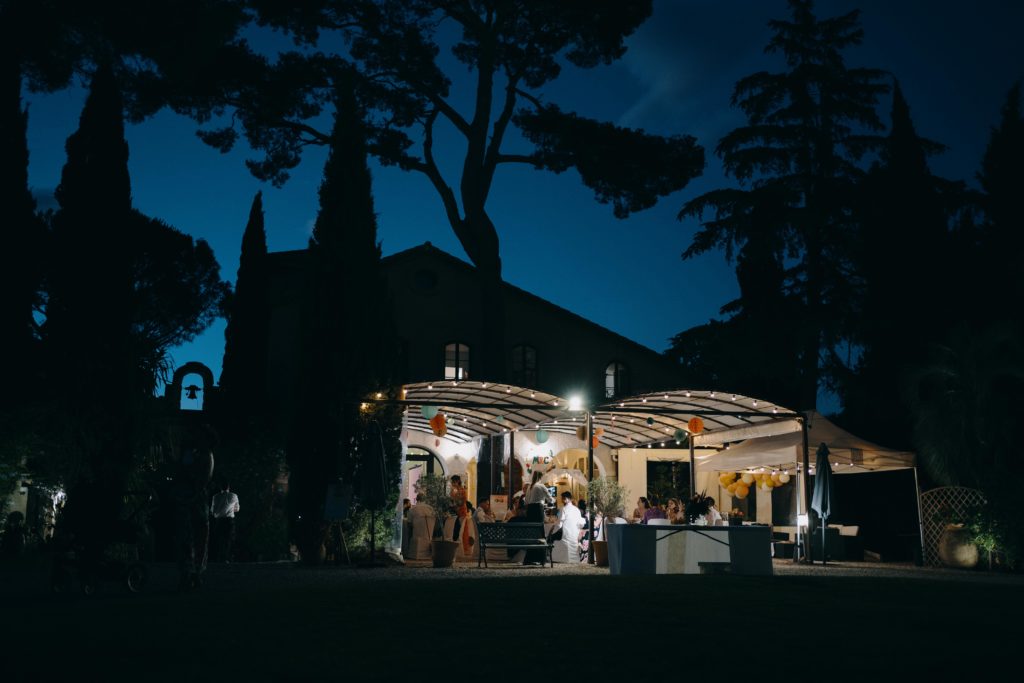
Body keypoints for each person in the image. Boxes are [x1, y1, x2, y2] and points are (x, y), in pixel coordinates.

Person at [210, 482, 240, 562]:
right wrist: (230, 509)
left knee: (219, 539)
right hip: (229, 521)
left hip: (219, 520)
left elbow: (212, 511)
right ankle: (226, 558)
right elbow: (237, 509)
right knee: (228, 539)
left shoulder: (215, 497)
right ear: (229, 487)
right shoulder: (234, 496)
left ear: (220, 488)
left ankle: (218, 557)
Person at [552, 492, 584, 563]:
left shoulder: (563, 509)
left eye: (562, 499)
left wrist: (552, 531)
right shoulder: (576, 509)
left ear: (565, 499)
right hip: (575, 534)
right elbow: (581, 524)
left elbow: (559, 524)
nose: (561, 500)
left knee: (551, 537)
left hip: (566, 534)